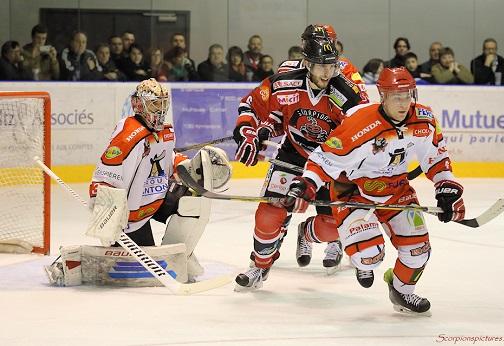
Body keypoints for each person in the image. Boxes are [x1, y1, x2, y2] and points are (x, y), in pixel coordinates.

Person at [286, 67, 465, 314]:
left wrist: (446, 188)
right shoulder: (360, 123)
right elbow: (325, 159)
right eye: (396, 97)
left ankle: (401, 292)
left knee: (418, 251)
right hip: (354, 192)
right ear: (383, 95)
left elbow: (436, 157)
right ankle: (310, 232)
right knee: (369, 256)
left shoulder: (424, 119)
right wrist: (306, 184)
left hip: (397, 190)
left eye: (407, 95)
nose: (404, 103)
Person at [44, 78, 232, 287]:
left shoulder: (166, 132)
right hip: (130, 216)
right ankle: (65, 264)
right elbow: (106, 173)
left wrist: (188, 166)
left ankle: (180, 256)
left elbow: (166, 161)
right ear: (139, 104)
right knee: (133, 265)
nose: (160, 109)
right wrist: (105, 208)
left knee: (192, 201)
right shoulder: (128, 135)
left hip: (154, 200)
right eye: (154, 103)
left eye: (162, 103)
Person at [233, 37, 364, 290]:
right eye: (320, 65)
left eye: (332, 65)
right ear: (306, 63)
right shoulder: (285, 82)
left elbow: (365, 132)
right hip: (293, 154)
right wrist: (249, 132)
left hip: (329, 163)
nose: (328, 72)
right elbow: (250, 104)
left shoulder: (347, 94)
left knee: (333, 227)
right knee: (269, 215)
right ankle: (259, 266)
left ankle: (307, 232)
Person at [277, 24, 369, 103]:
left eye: (327, 42)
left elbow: (363, 99)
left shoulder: (345, 67)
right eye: (313, 42)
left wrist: (340, 80)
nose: (320, 47)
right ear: (303, 43)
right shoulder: (286, 67)